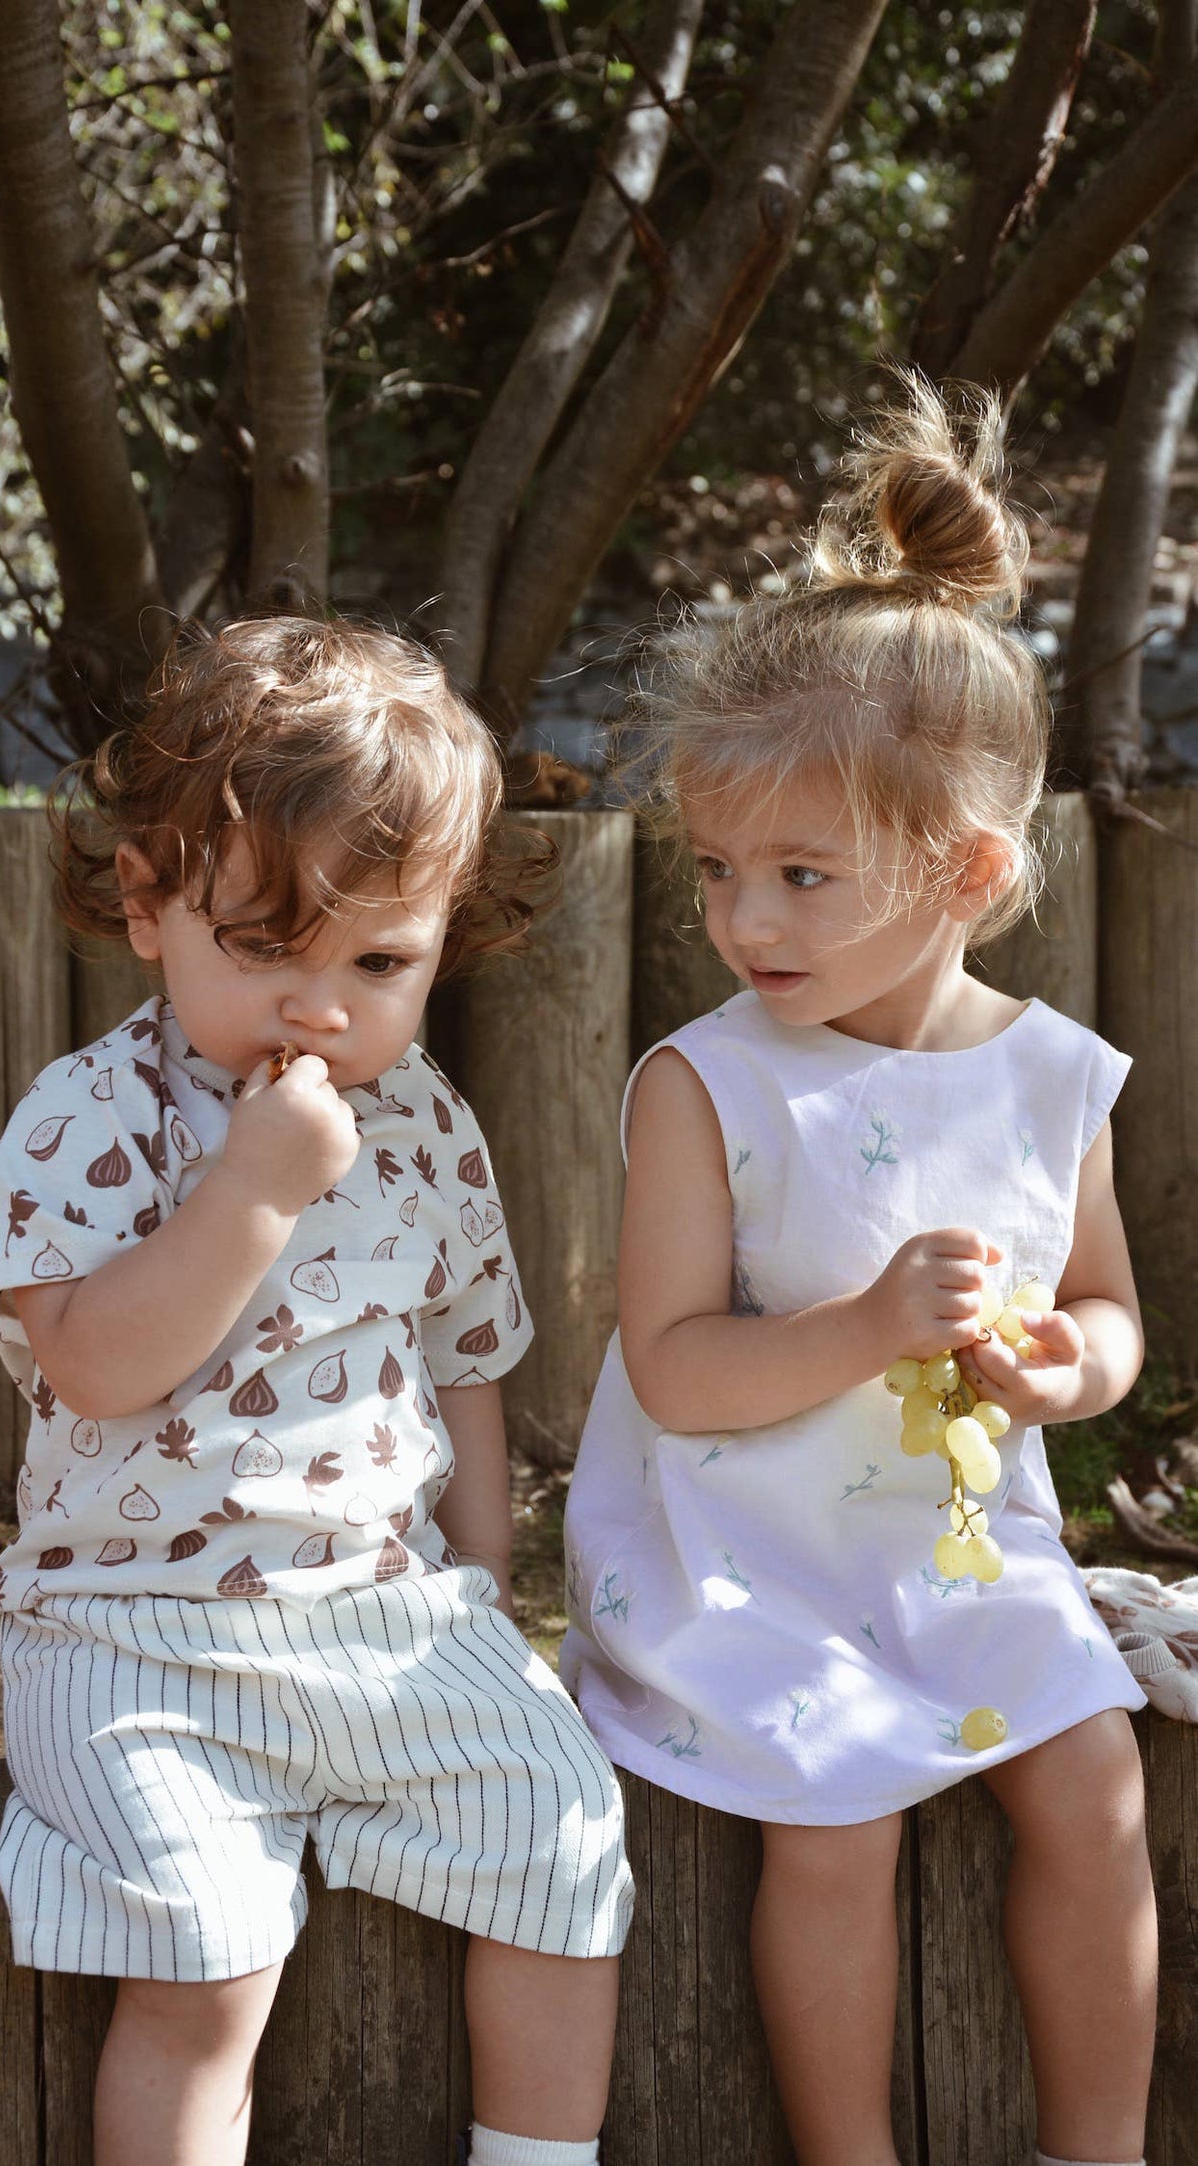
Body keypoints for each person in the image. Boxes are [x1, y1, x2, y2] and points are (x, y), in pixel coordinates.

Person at [560, 377, 1156, 2166]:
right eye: (722, 869)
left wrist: (1068, 1374)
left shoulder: (1051, 1076)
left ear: (963, 871)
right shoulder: (708, 1081)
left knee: (1092, 1781)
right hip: (751, 1571)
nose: (745, 921)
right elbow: (672, 1368)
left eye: (801, 875)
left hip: (965, 1552)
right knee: (838, 1815)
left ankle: (1096, 2148)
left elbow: (1113, 1311)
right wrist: (864, 1325)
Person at [0, 616, 632, 2166]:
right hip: (133, 1635)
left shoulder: (425, 1123)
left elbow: (462, 1368)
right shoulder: (88, 1118)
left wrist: (479, 1579)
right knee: (204, 1952)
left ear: (442, 934)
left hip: (382, 1616)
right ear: (147, 903)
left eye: (380, 961)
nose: (322, 1009)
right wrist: (249, 1197)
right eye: (265, 948)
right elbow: (95, 1360)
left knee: (563, 1833)